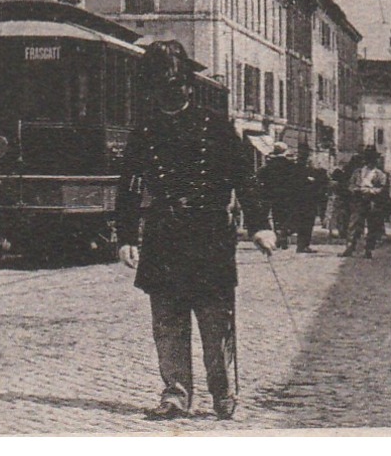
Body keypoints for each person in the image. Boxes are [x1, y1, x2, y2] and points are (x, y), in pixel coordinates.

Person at [116, 40, 275, 422]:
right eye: (159, 88)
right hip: (164, 235)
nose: (168, 95)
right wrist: (125, 236)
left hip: (208, 236)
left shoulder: (217, 127)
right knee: (168, 324)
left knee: (215, 322)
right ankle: (176, 394)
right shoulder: (145, 131)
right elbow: (130, 186)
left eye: (175, 86)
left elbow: (245, 179)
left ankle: (222, 392)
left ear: (188, 86)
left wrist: (259, 226)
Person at [341, 147, 389, 258]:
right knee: (354, 224)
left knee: (372, 225)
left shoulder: (380, 174)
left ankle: (368, 249)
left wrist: (370, 191)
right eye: (368, 158)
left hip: (372, 201)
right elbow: (351, 185)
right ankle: (350, 247)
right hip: (358, 201)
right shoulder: (358, 172)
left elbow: (382, 188)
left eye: (372, 158)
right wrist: (355, 189)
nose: (369, 161)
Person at [258, 142, 302, 250]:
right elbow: (296, 180)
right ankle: (284, 234)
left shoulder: (268, 165)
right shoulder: (290, 165)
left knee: (276, 215)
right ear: (284, 151)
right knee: (286, 216)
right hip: (287, 195)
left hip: (272, 194)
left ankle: (278, 234)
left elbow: (259, 178)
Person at [295, 146, 328, 253]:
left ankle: (303, 244)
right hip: (306, 200)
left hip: (307, 201)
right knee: (306, 223)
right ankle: (303, 245)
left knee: (306, 223)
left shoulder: (311, 171)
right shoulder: (302, 170)